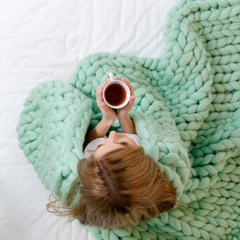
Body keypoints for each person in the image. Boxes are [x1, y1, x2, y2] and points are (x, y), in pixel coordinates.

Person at [47, 76, 177, 229]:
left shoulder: (91, 159)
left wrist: (107, 120)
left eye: (101, 145)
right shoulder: (141, 168)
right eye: (123, 143)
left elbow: (89, 141)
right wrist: (123, 117)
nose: (113, 134)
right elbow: (136, 138)